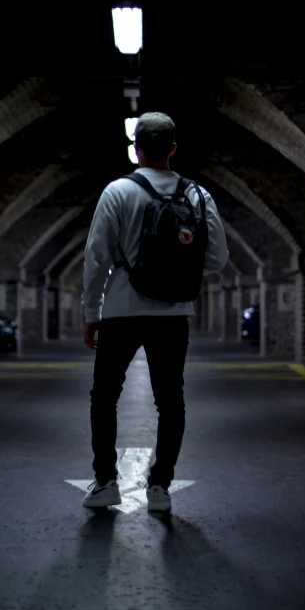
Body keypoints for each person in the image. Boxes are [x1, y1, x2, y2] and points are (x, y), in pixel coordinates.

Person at [80, 112, 229, 512]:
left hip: (120, 312)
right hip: (173, 313)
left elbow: (96, 258)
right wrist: (179, 267)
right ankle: (160, 487)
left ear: (136, 148)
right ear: (174, 148)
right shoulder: (197, 195)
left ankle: (106, 482)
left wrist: (90, 311)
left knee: (104, 397)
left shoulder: (117, 192)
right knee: (171, 401)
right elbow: (218, 258)